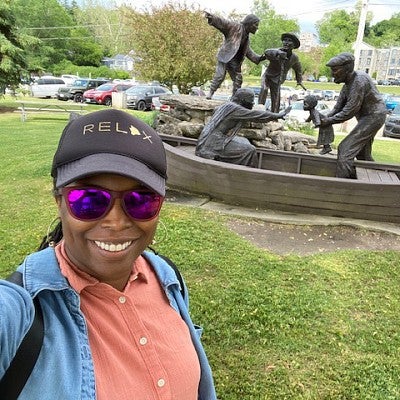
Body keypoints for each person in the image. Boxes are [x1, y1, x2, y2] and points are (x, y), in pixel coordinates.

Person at [0, 109, 217, 399]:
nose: (116, 222)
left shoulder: (167, 278)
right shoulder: (21, 307)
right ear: (59, 203)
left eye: (140, 200)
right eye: (89, 200)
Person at [320, 52, 387, 178]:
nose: (332, 73)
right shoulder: (347, 84)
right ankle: (374, 182)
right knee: (363, 155)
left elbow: (350, 110)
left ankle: (343, 188)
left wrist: (329, 121)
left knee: (345, 150)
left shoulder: (358, 81)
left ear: (347, 68)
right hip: (367, 117)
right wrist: (326, 117)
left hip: (374, 116)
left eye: (335, 70)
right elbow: (338, 107)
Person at [196, 87, 291, 167]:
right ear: (243, 101)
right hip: (213, 143)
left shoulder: (227, 105)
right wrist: (277, 115)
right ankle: (244, 173)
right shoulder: (236, 109)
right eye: (251, 101)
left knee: (244, 141)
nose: (253, 104)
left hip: (210, 138)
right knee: (249, 150)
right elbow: (257, 115)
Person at [204, 12, 266, 99]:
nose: (257, 27)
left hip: (234, 61)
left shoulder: (246, 37)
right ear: (249, 23)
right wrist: (212, 18)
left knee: (238, 79)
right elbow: (224, 23)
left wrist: (262, 57)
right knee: (220, 76)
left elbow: (249, 52)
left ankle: (234, 98)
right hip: (225, 56)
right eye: (256, 25)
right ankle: (210, 93)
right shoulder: (235, 27)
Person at [258, 32, 306, 112]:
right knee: (264, 89)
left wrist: (299, 81)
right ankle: (259, 110)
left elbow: (298, 70)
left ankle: (275, 116)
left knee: (276, 98)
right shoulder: (277, 52)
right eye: (285, 40)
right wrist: (278, 53)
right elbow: (267, 52)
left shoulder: (294, 58)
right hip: (268, 76)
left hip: (278, 80)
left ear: (294, 45)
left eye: (289, 40)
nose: (286, 42)